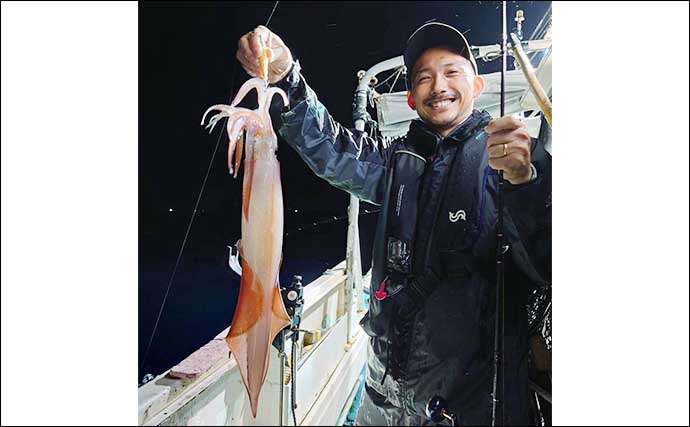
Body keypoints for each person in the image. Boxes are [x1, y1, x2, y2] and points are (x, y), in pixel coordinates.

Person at [236, 21, 551, 426]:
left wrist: (526, 183)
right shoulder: (396, 161)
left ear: (477, 87)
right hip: (382, 399)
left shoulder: (515, 160)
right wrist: (286, 78)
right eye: (424, 77)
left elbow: (547, 264)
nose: (438, 85)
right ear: (411, 96)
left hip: (470, 407)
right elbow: (332, 149)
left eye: (452, 72)